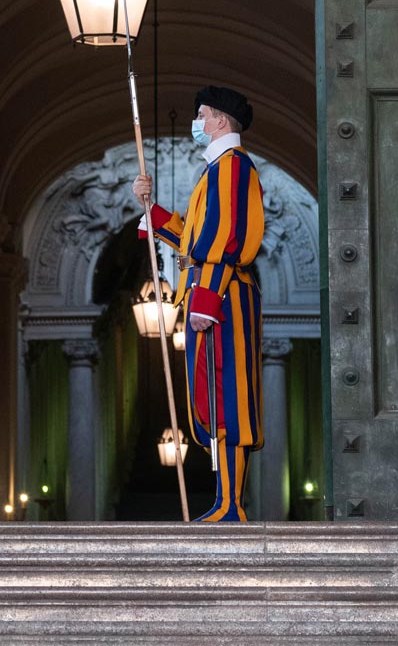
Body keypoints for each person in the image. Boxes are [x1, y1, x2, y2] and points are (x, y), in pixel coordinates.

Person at [133, 85, 265, 522]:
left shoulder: (232, 167)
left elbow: (225, 239)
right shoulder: (215, 171)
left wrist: (206, 297)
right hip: (212, 293)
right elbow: (194, 235)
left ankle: (231, 504)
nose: (197, 123)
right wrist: (151, 210)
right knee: (210, 400)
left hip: (221, 295)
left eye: (202, 115)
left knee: (227, 399)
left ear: (222, 121)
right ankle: (223, 500)